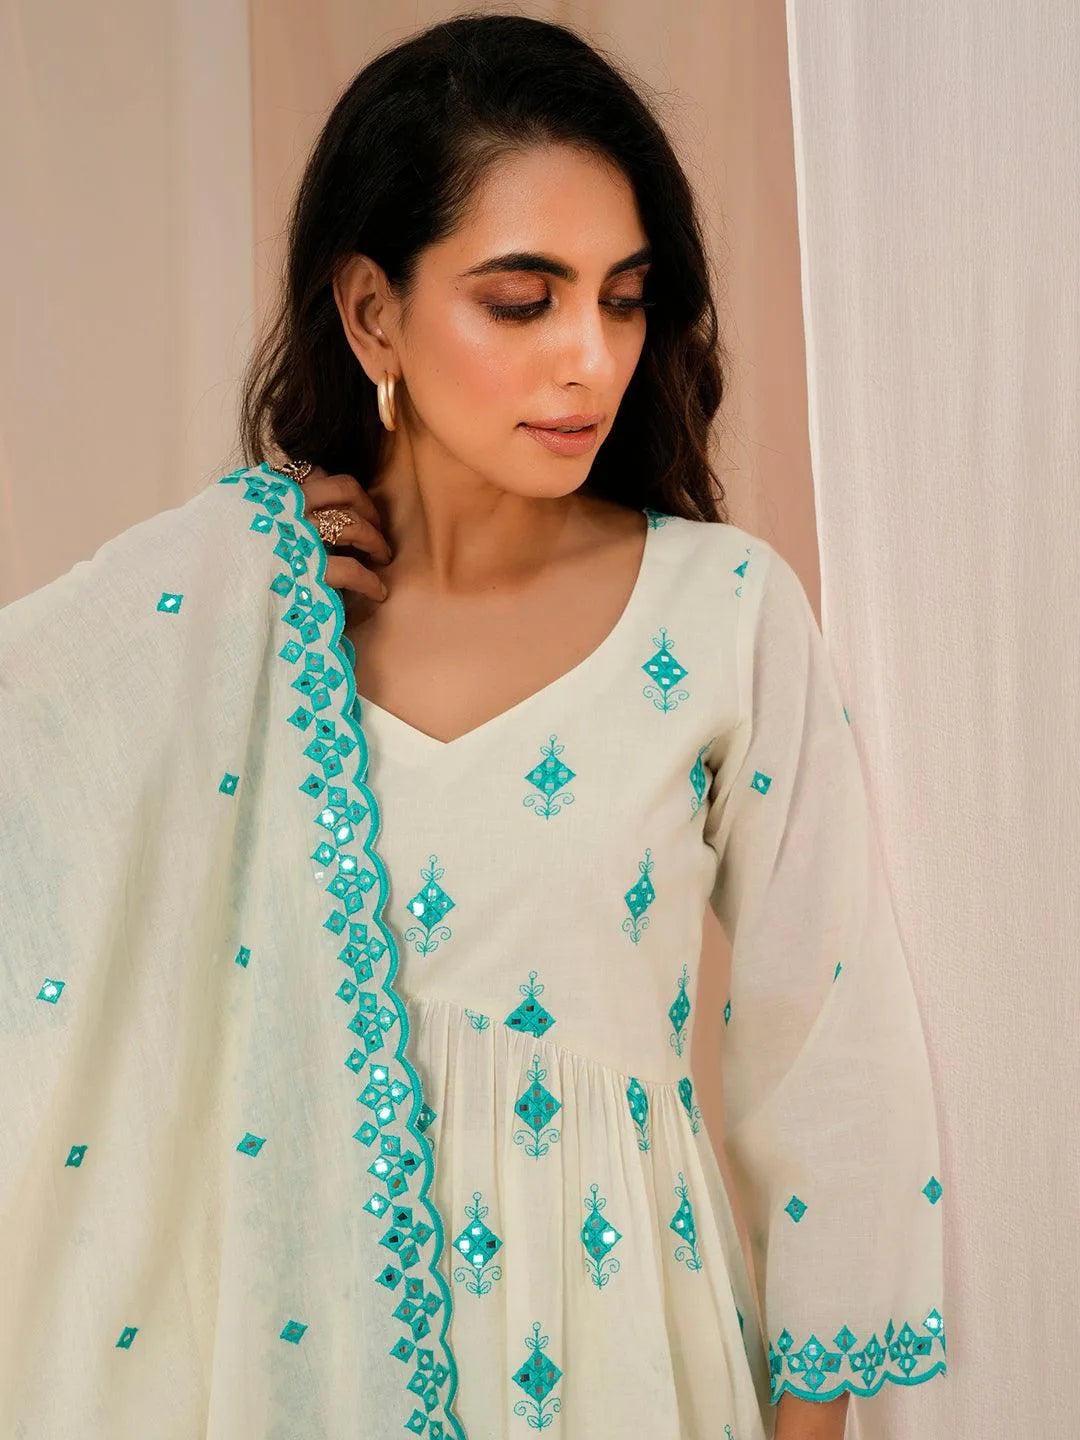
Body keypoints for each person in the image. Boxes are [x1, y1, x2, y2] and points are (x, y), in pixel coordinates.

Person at [0, 12, 946, 1439]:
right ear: (372, 313)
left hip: (628, 1359)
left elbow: (834, 1051)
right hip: (297, 1362)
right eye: (522, 301)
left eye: (624, 300)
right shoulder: (245, 624)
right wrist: (194, 593)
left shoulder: (724, 613)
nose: (590, 359)